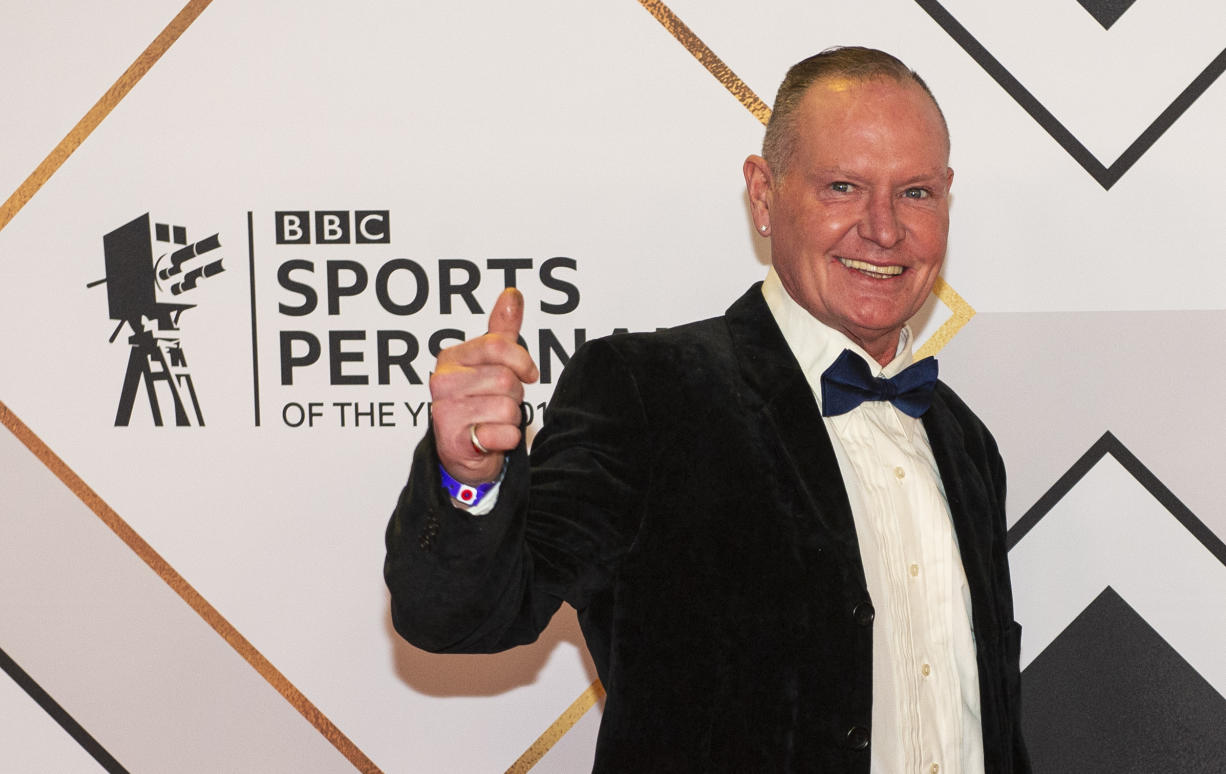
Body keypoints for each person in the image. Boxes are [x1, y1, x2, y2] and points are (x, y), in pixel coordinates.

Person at [385, 46, 1030, 773]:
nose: (883, 229)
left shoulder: (965, 442)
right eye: (843, 187)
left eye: (915, 193)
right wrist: (465, 474)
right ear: (763, 195)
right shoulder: (649, 392)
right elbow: (463, 613)